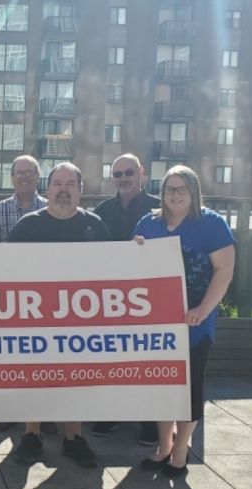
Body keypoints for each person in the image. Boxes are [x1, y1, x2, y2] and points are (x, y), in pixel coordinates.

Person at [134, 165, 236, 478]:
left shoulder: (211, 224)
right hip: (157, 325)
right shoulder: (148, 224)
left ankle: (181, 451)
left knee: (189, 388)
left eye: (182, 189)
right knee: (162, 388)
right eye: (170, 189)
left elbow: (224, 271)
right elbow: (136, 270)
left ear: (194, 192)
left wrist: (203, 310)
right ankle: (164, 446)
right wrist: (134, 251)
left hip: (194, 324)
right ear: (161, 193)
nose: (176, 195)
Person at [8, 162, 111, 469]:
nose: (63, 190)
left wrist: (138, 252)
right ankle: (32, 435)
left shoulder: (96, 226)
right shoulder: (28, 226)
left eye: (70, 184)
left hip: (80, 324)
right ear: (47, 188)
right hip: (34, 321)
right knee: (34, 379)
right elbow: (6, 270)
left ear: (80, 190)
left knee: (76, 381)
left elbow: (115, 272)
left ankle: (73, 439)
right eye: (57, 184)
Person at [91, 153, 162, 446]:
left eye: (128, 173)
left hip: (148, 296)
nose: (123, 179)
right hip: (109, 297)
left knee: (144, 357)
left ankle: (148, 420)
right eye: (117, 174)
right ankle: (111, 413)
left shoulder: (159, 208)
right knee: (110, 356)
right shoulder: (101, 210)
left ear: (141, 173)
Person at [0, 155, 53, 435]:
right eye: (19, 173)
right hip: (9, 296)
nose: (23, 177)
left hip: (45, 297)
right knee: (8, 358)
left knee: (43, 358)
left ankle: (43, 415)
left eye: (29, 172)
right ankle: (9, 412)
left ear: (38, 176)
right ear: (12, 177)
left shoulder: (51, 209)